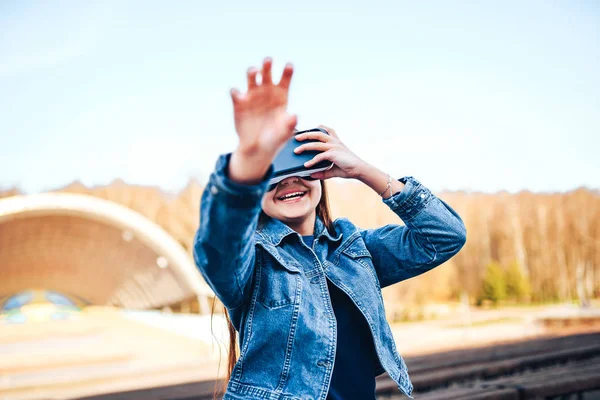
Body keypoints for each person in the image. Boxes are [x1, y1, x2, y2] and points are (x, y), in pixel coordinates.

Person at [193, 57, 467, 400]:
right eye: (273, 173)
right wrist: (246, 165)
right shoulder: (251, 261)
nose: (290, 181)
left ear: (322, 175)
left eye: (302, 168)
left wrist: (363, 170)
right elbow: (218, 249)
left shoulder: (355, 249)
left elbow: (445, 237)